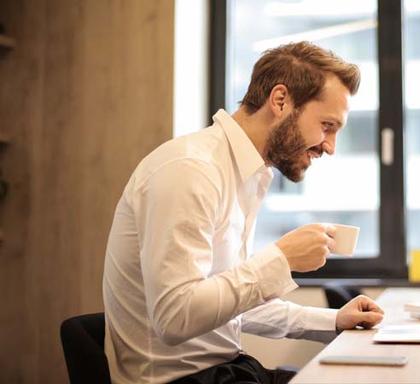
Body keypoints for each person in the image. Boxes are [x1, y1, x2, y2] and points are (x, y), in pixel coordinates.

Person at [102, 41, 384, 384]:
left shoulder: (249, 174)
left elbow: (228, 303)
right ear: (280, 101)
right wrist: (280, 259)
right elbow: (175, 317)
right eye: (327, 126)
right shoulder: (190, 170)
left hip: (224, 372)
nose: (330, 147)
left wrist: (333, 321)